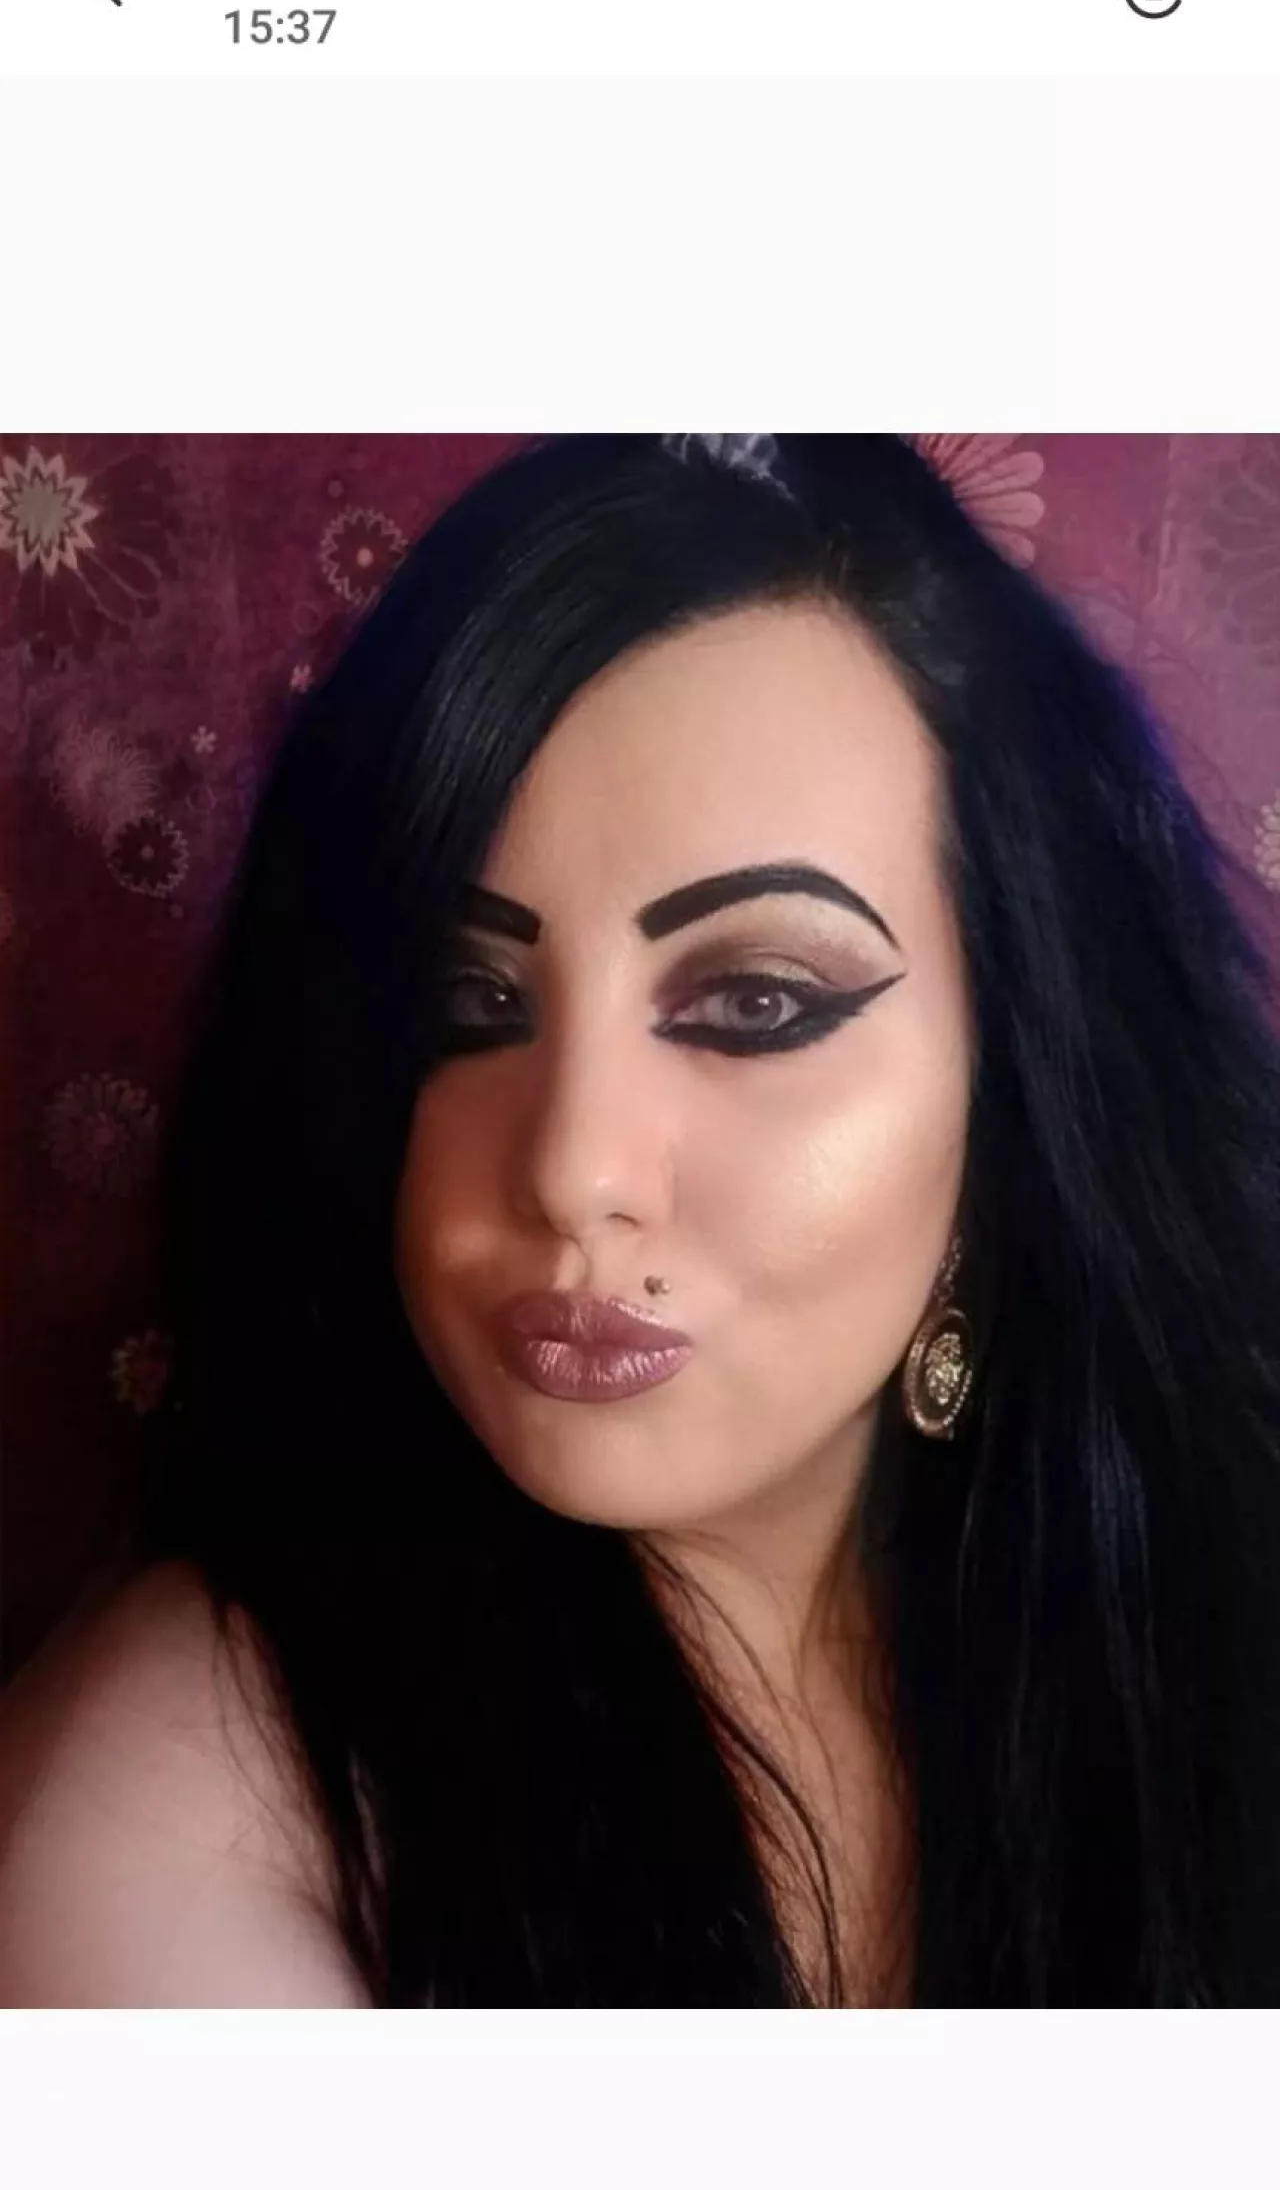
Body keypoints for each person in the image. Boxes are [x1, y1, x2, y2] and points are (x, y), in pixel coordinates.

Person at [2, 431, 1278, 2009]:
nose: (570, 1166)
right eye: (466, 1003)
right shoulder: (187, 1798)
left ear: (1016, 1084)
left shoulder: (1204, 1635)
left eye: (755, 1002)